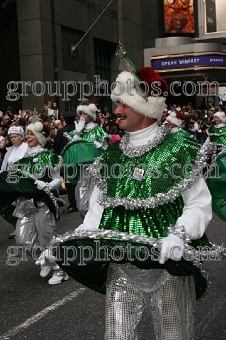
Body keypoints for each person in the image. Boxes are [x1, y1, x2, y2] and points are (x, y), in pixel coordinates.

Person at [51, 45, 213, 339]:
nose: (116, 111)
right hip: (121, 267)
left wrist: (180, 234)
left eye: (123, 103)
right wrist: (73, 241)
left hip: (168, 266)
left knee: (173, 336)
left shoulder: (178, 149)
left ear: (146, 105)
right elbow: (98, 210)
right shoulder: (111, 156)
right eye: (116, 103)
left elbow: (199, 204)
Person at [0, 122, 67, 285]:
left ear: (39, 137)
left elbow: (58, 179)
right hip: (24, 206)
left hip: (42, 204)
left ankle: (60, 269)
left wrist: (48, 185)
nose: (28, 137)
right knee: (23, 240)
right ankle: (44, 259)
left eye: (31, 134)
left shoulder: (50, 157)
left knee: (47, 239)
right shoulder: (19, 161)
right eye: (27, 134)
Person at [62, 99, 109, 217]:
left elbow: (106, 151)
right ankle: (87, 228)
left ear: (91, 115)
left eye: (84, 113)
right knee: (82, 205)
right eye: (80, 114)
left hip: (96, 171)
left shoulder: (98, 130)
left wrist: (100, 147)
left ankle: (95, 230)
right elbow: (72, 150)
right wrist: (77, 132)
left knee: (96, 203)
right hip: (82, 172)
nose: (81, 116)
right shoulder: (78, 130)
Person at [0, 126, 28, 238]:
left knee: (23, 203)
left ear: (21, 137)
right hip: (10, 181)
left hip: (23, 180)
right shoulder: (9, 151)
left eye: (15, 137)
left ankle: (25, 226)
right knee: (10, 204)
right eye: (11, 137)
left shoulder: (27, 148)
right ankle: (16, 225)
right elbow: (4, 166)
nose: (13, 139)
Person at [53, 111, 78, 213]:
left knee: (69, 183)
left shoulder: (61, 132)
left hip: (66, 160)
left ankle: (73, 204)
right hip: (79, 158)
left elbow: (56, 146)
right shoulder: (79, 130)